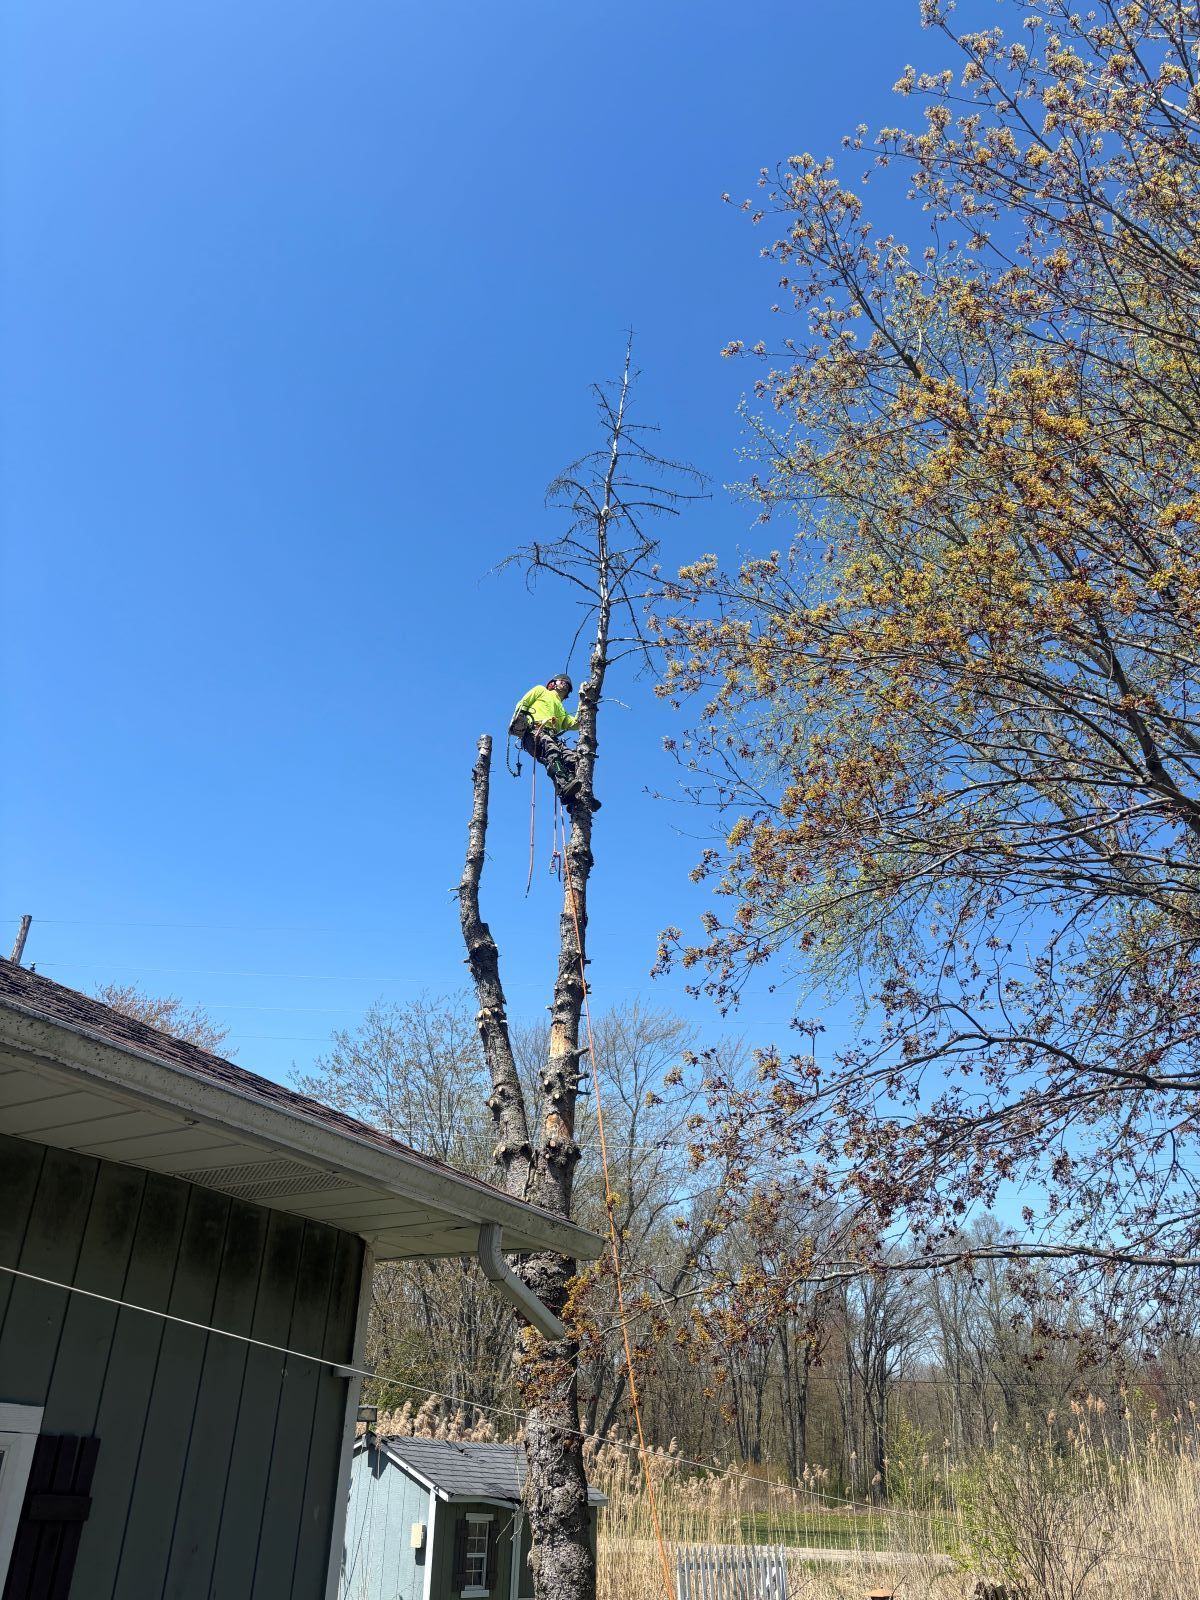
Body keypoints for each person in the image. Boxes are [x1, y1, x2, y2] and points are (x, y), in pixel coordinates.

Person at [509, 674, 601, 812]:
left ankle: (579, 798)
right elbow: (523, 703)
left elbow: (575, 723)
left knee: (573, 760)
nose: (565, 684)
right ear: (552, 683)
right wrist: (520, 721)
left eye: (567, 684)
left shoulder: (561, 710)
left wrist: (583, 701)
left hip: (551, 737)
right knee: (552, 752)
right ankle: (564, 787)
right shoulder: (541, 690)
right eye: (562, 681)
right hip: (535, 732)